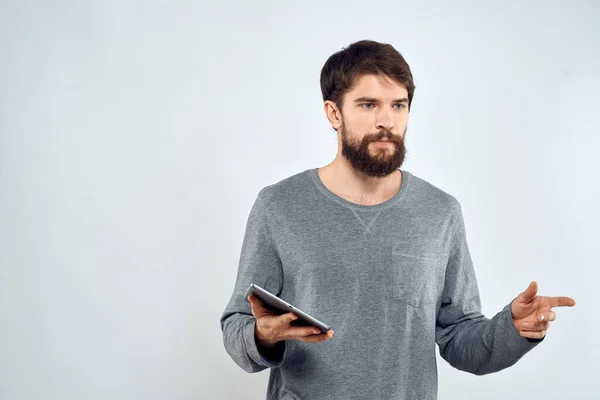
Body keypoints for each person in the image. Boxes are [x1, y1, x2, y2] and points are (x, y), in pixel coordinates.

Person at [220, 39, 575, 399]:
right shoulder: (279, 205)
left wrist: (512, 329)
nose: (387, 121)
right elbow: (237, 324)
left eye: (398, 105)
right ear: (334, 113)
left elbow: (459, 336)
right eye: (368, 104)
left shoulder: (440, 212)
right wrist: (261, 335)